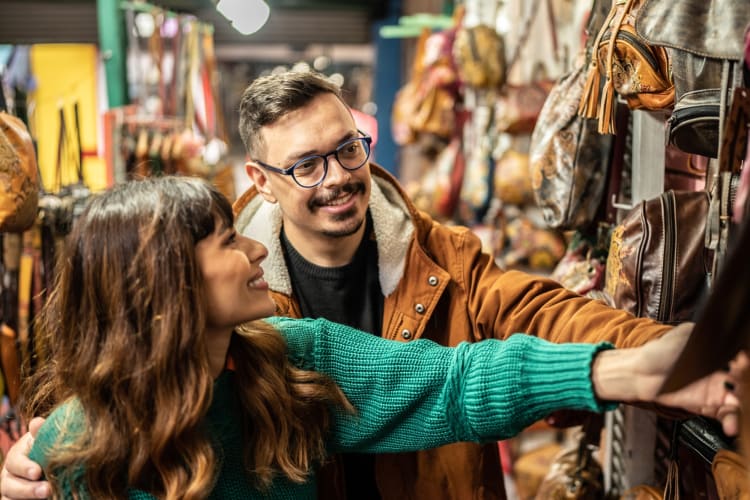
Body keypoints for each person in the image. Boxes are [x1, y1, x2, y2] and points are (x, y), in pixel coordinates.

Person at [0, 70, 723, 499]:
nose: (341, 176)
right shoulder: (89, 439)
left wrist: (651, 359)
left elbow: (471, 373)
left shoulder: (296, 348)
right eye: (306, 164)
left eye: (348, 148)